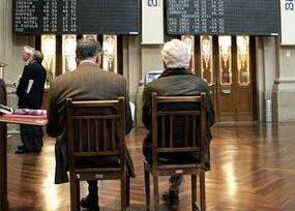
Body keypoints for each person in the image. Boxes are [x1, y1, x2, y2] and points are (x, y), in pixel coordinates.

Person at [47, 38, 135, 211]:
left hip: (74, 156)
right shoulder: (118, 82)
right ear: (99, 58)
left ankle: (91, 195)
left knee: (81, 140)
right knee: (99, 138)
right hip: (111, 154)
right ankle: (93, 194)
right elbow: (127, 126)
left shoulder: (59, 83)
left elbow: (53, 129)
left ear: (75, 58)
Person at [142, 39, 215, 207]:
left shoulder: (152, 88)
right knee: (185, 138)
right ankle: (175, 188)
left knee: (172, 138)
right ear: (188, 60)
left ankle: (171, 190)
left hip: (160, 154)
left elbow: (147, 122)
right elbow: (210, 120)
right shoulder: (201, 86)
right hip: (194, 153)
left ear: (164, 61)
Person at [15, 46, 47, 154]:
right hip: (37, 99)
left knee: (25, 122)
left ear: (33, 58)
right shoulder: (42, 69)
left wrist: (19, 92)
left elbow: (24, 83)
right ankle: (37, 144)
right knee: (35, 122)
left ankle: (27, 145)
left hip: (27, 99)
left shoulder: (29, 68)